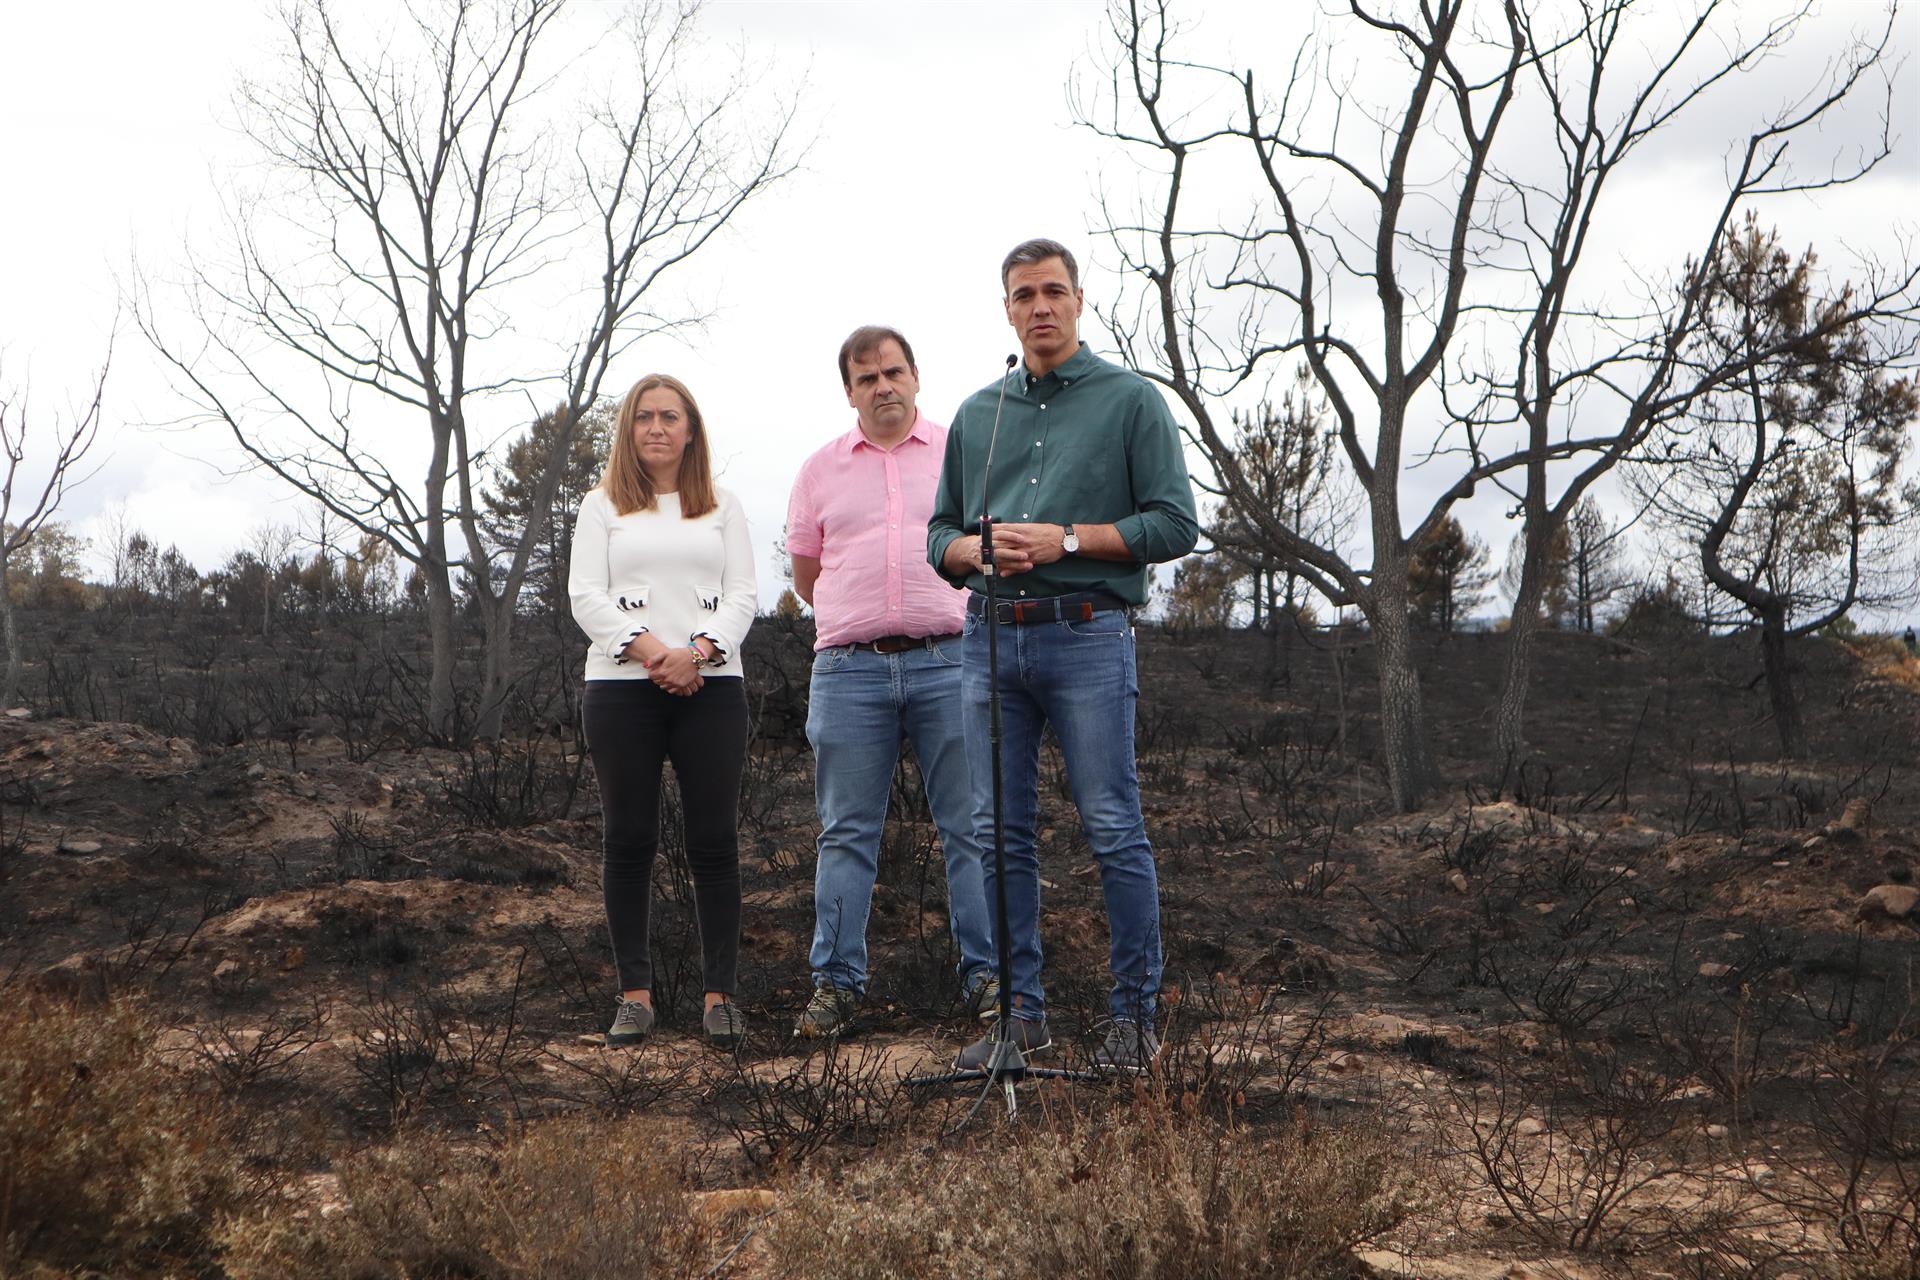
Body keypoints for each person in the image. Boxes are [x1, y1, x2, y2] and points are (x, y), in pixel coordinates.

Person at [927, 238, 1199, 1074]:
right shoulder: (978, 415)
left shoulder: (1132, 401)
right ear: (1006, 309)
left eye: (1053, 290)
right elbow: (940, 535)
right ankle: (1020, 1020)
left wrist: (1068, 539)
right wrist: (972, 551)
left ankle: (1134, 1022)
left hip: (1088, 635)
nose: (1039, 306)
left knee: (1112, 826)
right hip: (989, 637)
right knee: (997, 834)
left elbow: (1175, 524)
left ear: (1080, 299)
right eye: (1024, 294)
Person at [784, 326, 997, 1038]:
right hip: (849, 671)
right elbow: (808, 575)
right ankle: (836, 986)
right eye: (867, 378)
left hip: (951, 661)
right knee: (846, 834)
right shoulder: (818, 470)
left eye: (894, 372)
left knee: (972, 827)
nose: (883, 387)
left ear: (915, 377)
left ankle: (989, 978)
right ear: (849, 392)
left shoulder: (959, 454)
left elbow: (989, 546)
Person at [568, 373, 757, 1050]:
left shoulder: (724, 506)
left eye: (669, 416)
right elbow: (585, 596)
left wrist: (697, 653)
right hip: (622, 690)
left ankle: (720, 1000)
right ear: (629, 430)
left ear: (690, 429)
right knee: (628, 840)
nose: (656, 427)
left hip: (713, 688)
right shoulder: (601, 506)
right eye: (644, 416)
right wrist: (652, 651)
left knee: (714, 842)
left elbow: (743, 594)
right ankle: (634, 998)